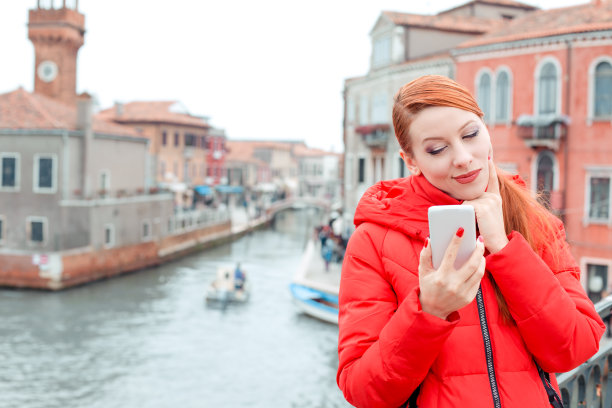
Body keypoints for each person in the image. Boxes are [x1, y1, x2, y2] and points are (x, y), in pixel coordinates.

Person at [336, 75, 605, 408]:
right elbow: (364, 391)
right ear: (411, 160)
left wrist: (504, 249)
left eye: (471, 134)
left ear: (486, 127)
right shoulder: (373, 241)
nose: (462, 157)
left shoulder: (535, 220)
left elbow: (574, 348)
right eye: (437, 149)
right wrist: (429, 311)